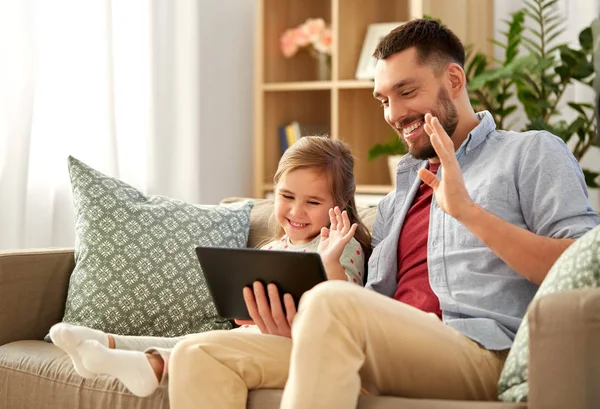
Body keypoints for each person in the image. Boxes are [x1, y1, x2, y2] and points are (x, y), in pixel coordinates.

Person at [167, 19, 600, 409]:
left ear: (453, 79)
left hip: (480, 351)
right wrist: (303, 329)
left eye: (406, 92)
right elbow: (367, 305)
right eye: (383, 100)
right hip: (385, 348)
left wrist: (469, 212)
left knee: (332, 306)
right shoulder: (401, 193)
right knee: (199, 354)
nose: (393, 114)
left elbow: (582, 264)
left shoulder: (530, 153)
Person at [49, 135, 371, 398]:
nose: (296, 211)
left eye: (313, 202)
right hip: (256, 334)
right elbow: (243, 316)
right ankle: (105, 342)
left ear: (338, 206)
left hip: (293, 343)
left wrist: (330, 260)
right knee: (192, 341)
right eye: (286, 196)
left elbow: (344, 307)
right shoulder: (273, 247)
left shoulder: (343, 247)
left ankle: (151, 366)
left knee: (200, 347)